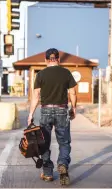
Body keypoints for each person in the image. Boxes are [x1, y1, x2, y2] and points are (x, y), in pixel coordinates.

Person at [27, 48, 77, 186]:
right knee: (64, 142)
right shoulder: (66, 73)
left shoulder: (41, 74)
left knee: (44, 143)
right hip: (62, 110)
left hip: (45, 111)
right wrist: (73, 108)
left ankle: (48, 173)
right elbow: (72, 92)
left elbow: (36, 96)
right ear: (58, 59)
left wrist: (31, 114)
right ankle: (62, 165)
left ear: (46, 60)